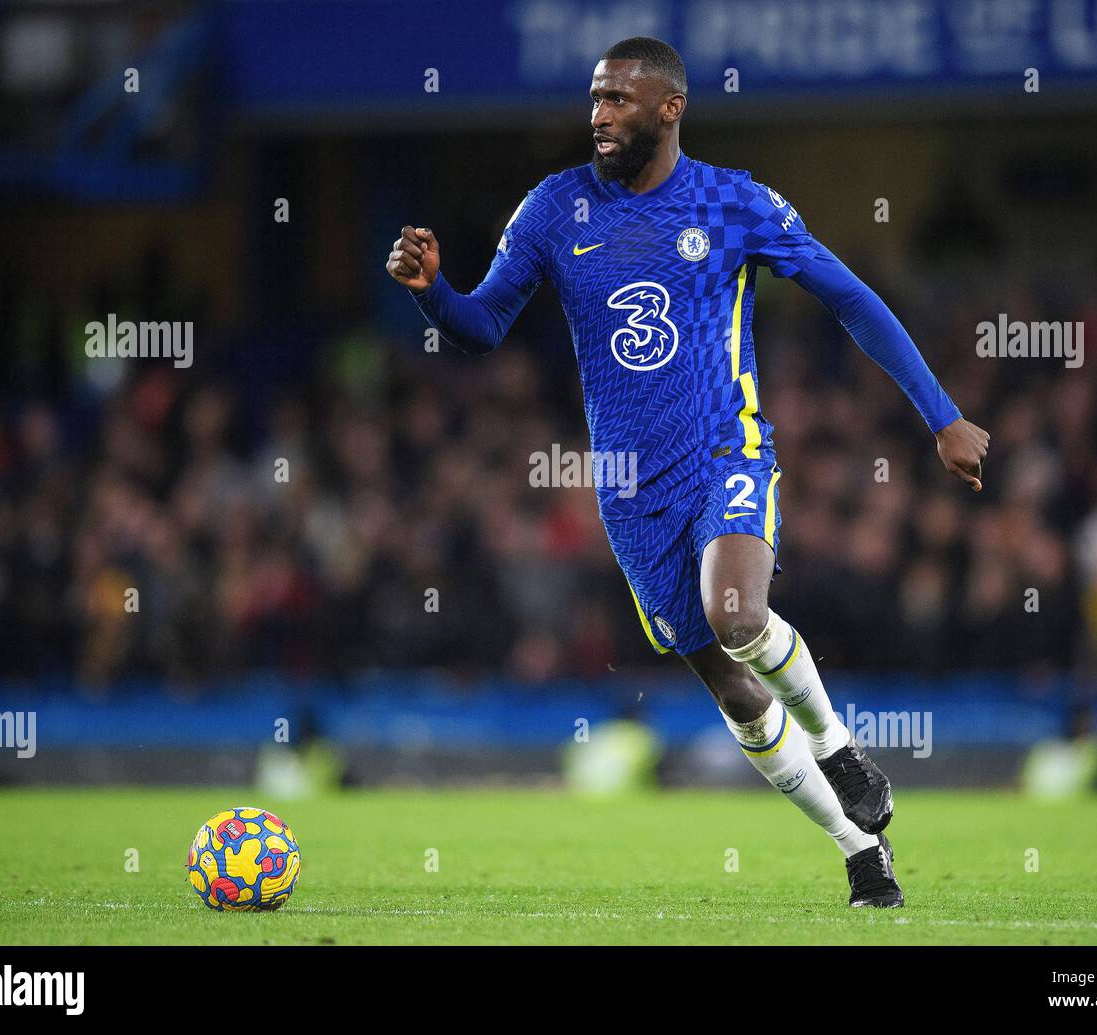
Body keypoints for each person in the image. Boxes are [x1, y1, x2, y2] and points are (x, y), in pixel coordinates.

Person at [387, 36, 990, 908]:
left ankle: (839, 745)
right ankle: (859, 845)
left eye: (619, 100)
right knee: (733, 689)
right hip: (631, 493)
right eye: (594, 98)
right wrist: (433, 291)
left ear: (670, 108)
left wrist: (941, 415)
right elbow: (482, 327)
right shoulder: (555, 209)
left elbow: (850, 295)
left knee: (737, 612)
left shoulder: (732, 201)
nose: (599, 115)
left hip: (725, 452)